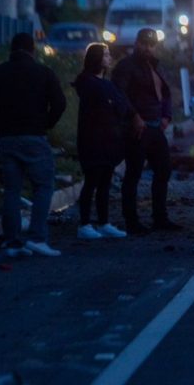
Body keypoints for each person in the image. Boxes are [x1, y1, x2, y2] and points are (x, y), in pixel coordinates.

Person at [0, 33, 67, 257]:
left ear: (11, 49)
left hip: (8, 138)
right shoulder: (44, 73)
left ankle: (12, 241)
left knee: (12, 190)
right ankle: (37, 237)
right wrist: (46, 123)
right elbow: (60, 103)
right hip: (34, 136)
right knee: (43, 186)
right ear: (32, 50)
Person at [111, 28, 181, 233]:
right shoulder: (125, 67)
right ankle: (132, 221)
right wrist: (134, 116)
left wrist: (167, 116)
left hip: (154, 127)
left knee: (164, 170)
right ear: (137, 43)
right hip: (137, 129)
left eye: (151, 44)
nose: (148, 48)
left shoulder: (154, 66)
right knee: (133, 173)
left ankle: (160, 217)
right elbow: (119, 95)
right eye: (144, 43)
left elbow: (165, 93)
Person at [73, 43, 140, 240]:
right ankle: (84, 224)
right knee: (92, 181)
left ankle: (103, 222)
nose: (109, 58)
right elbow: (111, 105)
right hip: (92, 140)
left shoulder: (106, 83)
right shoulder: (88, 83)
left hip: (108, 140)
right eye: (106, 55)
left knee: (105, 182)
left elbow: (119, 104)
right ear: (96, 59)